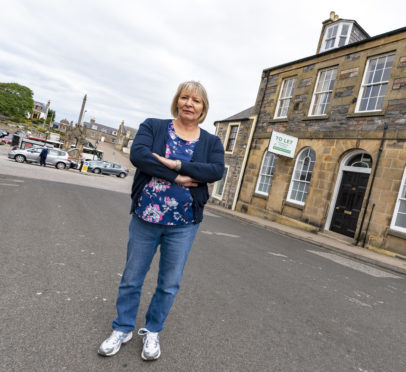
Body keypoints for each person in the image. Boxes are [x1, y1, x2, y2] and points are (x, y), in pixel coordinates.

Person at [98, 81, 225, 361]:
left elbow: (215, 170)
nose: (189, 103)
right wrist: (177, 177)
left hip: (184, 222)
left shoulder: (211, 142)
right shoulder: (153, 126)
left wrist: (176, 163)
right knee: (132, 277)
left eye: (196, 100)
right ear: (177, 101)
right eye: (184, 97)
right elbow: (140, 156)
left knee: (169, 283)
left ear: (204, 108)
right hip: (146, 216)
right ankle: (123, 328)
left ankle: (152, 331)